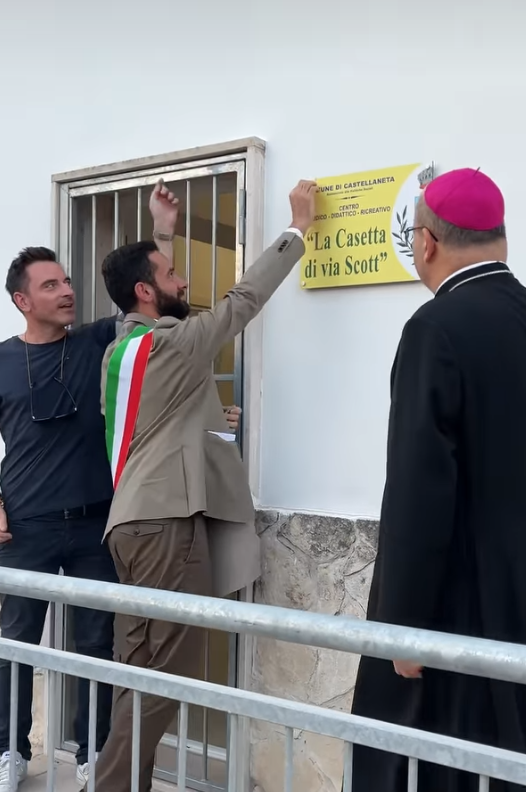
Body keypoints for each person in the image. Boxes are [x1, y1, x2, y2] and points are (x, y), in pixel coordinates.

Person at [0, 181, 241, 792]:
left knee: (99, 644)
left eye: (66, 281)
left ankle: (93, 754)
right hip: (23, 525)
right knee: (15, 642)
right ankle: (9, 751)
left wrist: (162, 230)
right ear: (22, 301)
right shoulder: (0, 361)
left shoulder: (101, 343)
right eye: (50, 285)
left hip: (94, 521)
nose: (66, 291)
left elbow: (150, 299)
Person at [85, 178, 317, 792]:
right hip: (167, 525)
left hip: (131, 525)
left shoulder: (122, 351)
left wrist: (161, 234)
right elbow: (243, 300)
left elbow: (163, 413)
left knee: (138, 670)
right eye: (172, 272)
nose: (184, 281)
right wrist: (296, 229)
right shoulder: (177, 345)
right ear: (145, 290)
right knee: (166, 673)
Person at [351, 168, 526, 792]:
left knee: (436, 761)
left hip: (463, 598)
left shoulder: (436, 327)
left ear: (426, 243)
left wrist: (403, 626)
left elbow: (419, 488)